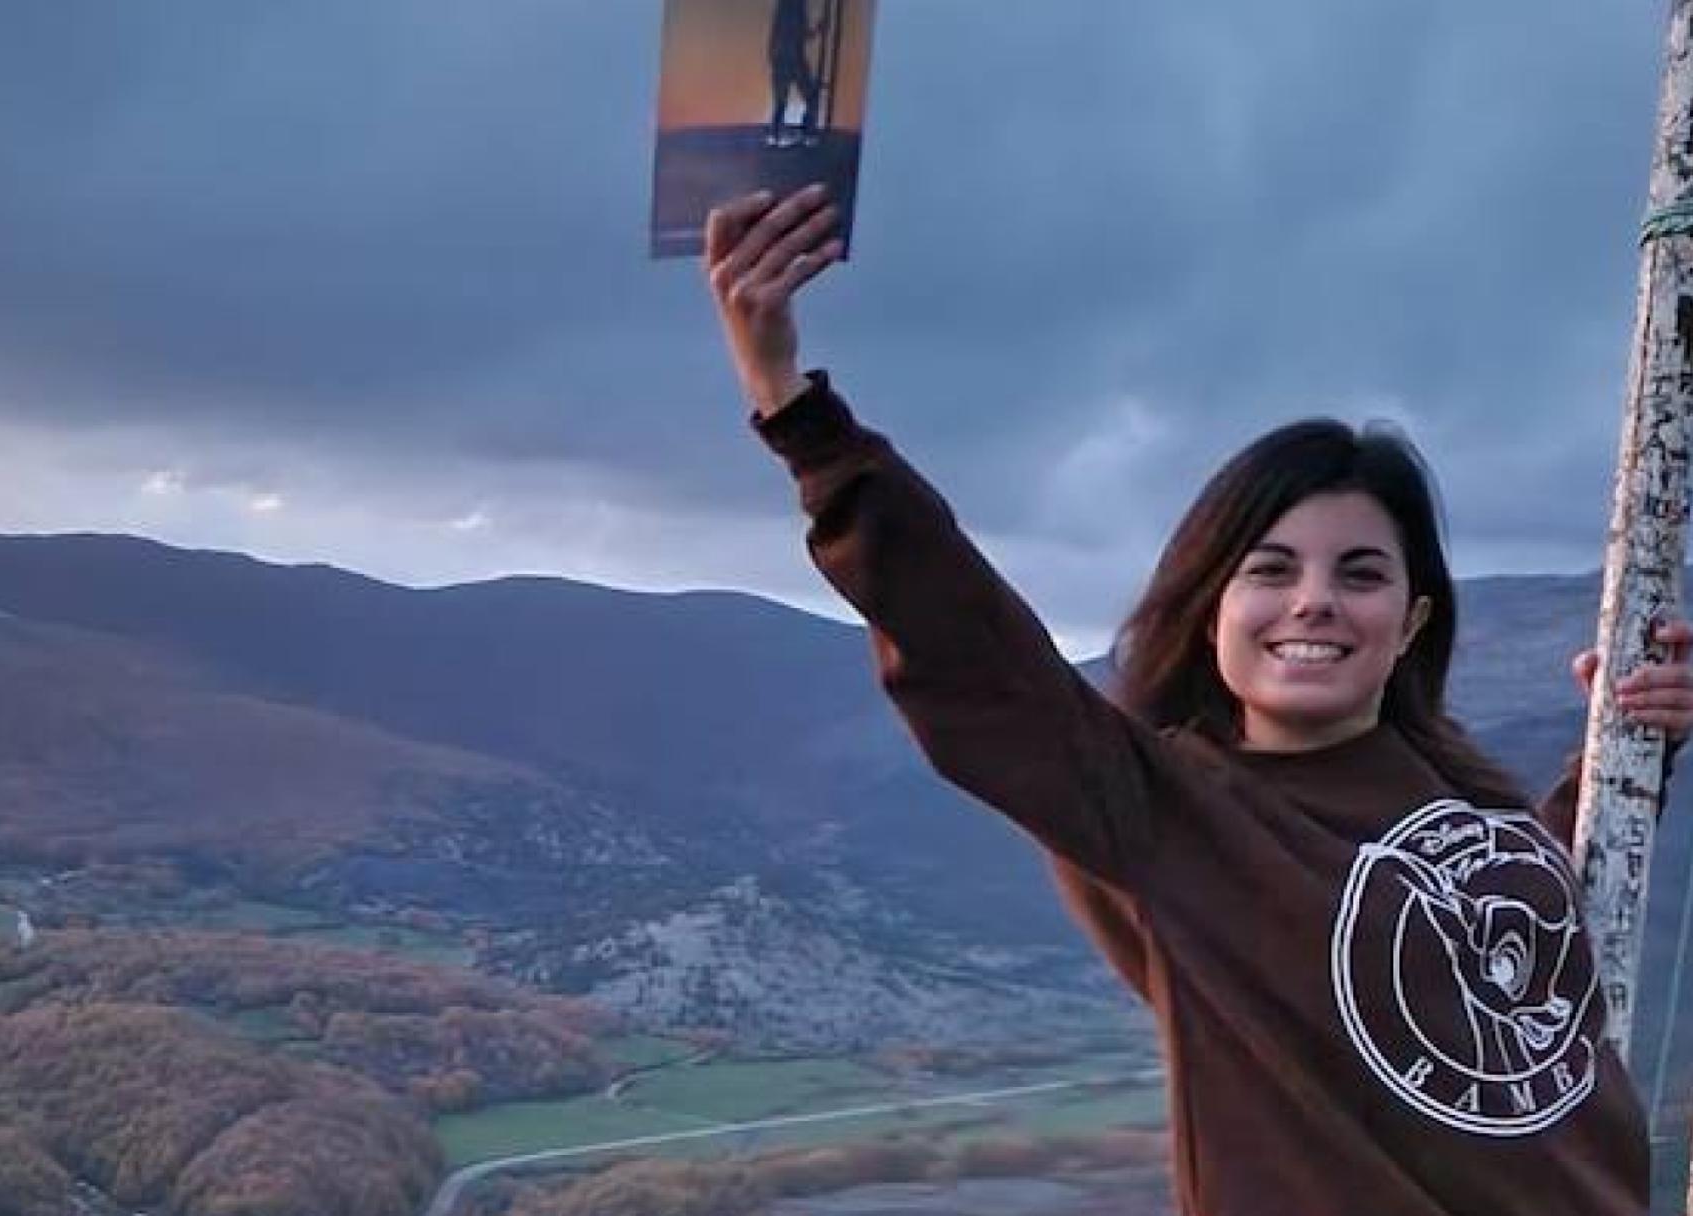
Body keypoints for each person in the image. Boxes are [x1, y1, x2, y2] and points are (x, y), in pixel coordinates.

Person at [700, 183, 1693, 1216]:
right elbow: (971, 648)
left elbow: (1495, 920)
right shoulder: (1168, 815)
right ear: (1212, 610)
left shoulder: (1463, 805)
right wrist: (794, 407)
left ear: (1409, 624)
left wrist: (1630, 741)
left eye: (1361, 573)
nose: (1314, 599)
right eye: (1270, 569)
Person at [767, 0, 826, 148]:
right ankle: (806, 133)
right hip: (791, 59)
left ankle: (776, 134)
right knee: (810, 96)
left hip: (781, 58)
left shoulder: (786, 6)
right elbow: (799, 32)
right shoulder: (795, 6)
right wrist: (817, 30)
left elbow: (786, 32)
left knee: (781, 101)